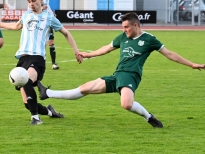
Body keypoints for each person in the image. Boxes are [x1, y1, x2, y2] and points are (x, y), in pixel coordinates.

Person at [36, 12, 205, 128]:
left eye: (126, 27)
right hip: (118, 75)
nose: (124, 30)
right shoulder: (123, 37)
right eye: (123, 27)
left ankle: (149, 117)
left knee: (126, 104)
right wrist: (88, 55)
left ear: (136, 25)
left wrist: (191, 64)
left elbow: (170, 54)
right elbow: (107, 48)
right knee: (85, 88)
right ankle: (47, 93)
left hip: (131, 76)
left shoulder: (149, 39)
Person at [0, 0, 83, 125]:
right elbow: (16, 26)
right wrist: (0, 24)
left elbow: (66, 33)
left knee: (27, 81)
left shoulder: (49, 18)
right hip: (23, 59)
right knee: (28, 104)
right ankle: (49, 112)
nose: (31, 4)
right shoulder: (26, 16)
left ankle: (35, 118)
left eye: (34, 1)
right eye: (29, 1)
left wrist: (76, 51)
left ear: (41, 0)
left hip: (37, 58)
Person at [35, 0, 59, 70]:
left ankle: (54, 63)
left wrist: (52, 14)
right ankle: (41, 61)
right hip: (39, 21)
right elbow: (30, 8)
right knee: (41, 42)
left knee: (51, 42)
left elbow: (47, 6)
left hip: (48, 20)